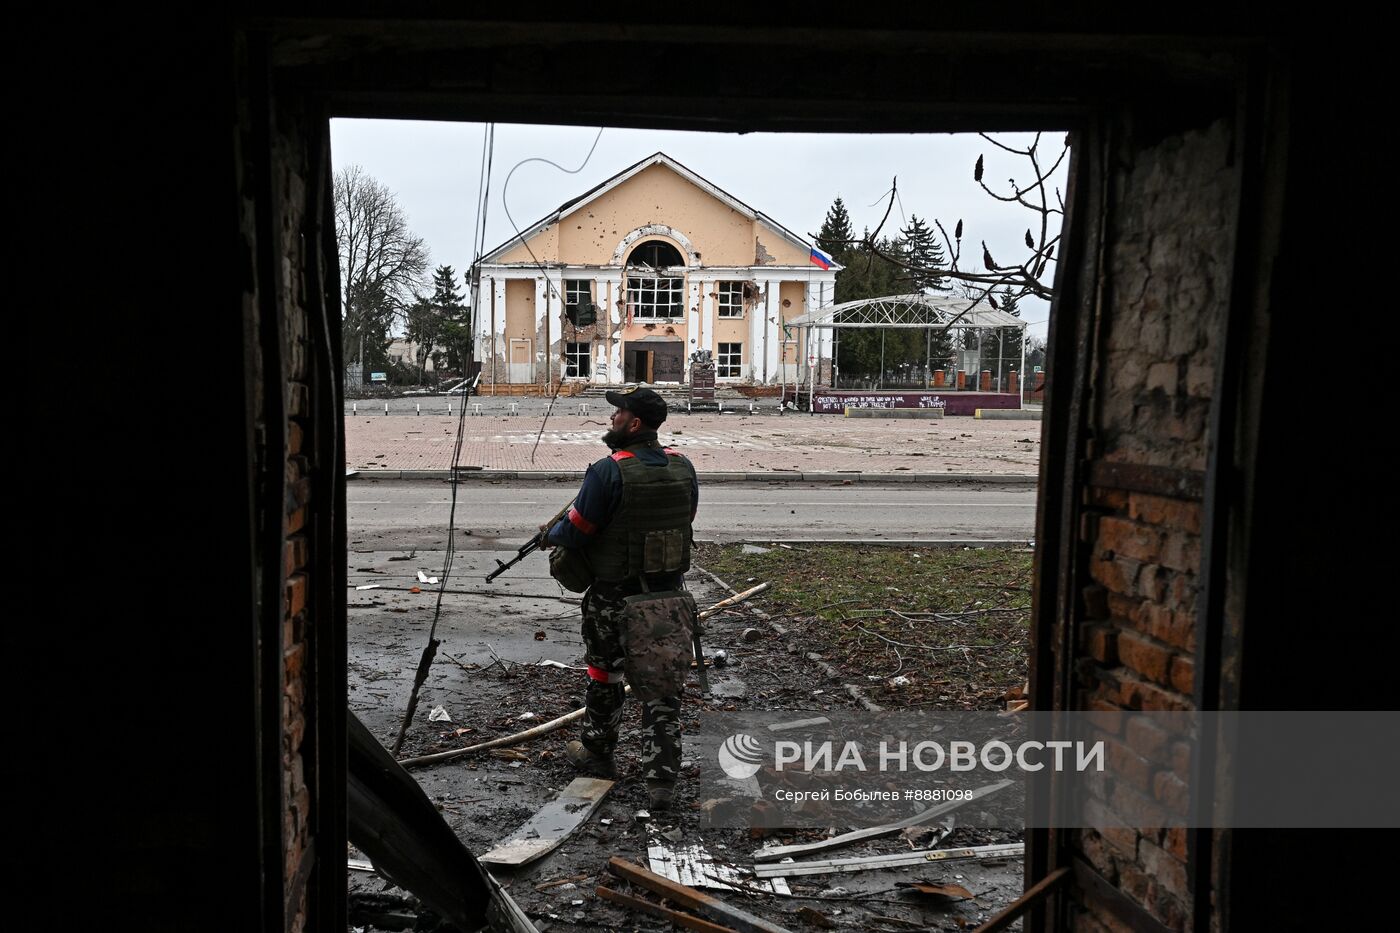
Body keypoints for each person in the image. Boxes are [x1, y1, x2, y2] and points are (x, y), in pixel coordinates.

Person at [540, 385, 699, 810]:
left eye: (618, 413)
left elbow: (576, 531)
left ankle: (598, 751)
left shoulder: (608, 471)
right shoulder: (683, 467)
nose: (611, 419)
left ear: (634, 423)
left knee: (604, 675)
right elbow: (687, 519)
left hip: (615, 600)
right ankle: (661, 779)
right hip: (668, 599)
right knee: (663, 686)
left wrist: (548, 536)